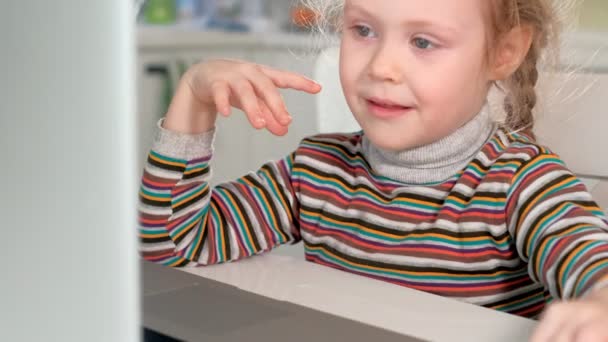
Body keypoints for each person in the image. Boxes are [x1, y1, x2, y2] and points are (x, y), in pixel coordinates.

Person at [138, 0, 608, 340]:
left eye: (423, 41)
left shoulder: (521, 182)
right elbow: (172, 245)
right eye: (363, 30)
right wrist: (194, 102)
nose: (382, 66)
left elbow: (591, 262)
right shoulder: (315, 172)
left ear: (504, 52)